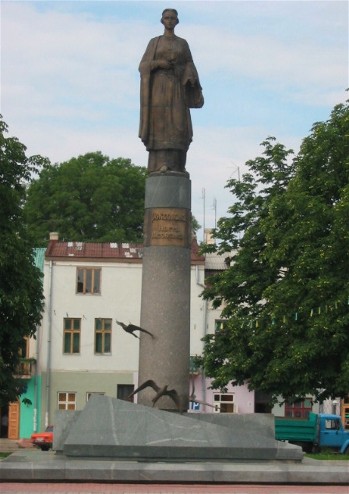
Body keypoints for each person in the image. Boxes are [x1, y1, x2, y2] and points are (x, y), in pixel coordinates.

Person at [139, 8, 204, 174]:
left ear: (176, 21)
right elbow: (143, 66)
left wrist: (190, 75)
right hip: (158, 89)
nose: (169, 20)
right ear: (162, 21)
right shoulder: (155, 42)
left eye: (172, 18)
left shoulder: (182, 43)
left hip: (177, 88)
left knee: (179, 125)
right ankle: (160, 164)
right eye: (167, 18)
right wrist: (158, 63)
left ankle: (178, 165)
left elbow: (190, 63)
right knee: (161, 126)